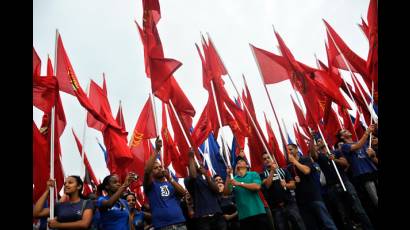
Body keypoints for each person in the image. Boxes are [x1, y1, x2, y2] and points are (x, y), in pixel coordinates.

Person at [287, 144, 337, 230]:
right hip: (301, 201)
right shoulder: (289, 167)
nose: (289, 152)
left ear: (296, 149)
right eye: (287, 150)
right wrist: (294, 182)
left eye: (290, 149)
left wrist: (295, 161)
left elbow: (306, 171)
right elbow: (292, 184)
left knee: (326, 222)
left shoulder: (305, 159)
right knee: (311, 225)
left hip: (314, 196)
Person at [143, 137, 187, 230]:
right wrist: (157, 150)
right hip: (163, 226)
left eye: (160, 167)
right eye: (155, 168)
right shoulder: (150, 186)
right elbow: (147, 171)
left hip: (180, 223)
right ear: (152, 172)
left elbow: (183, 193)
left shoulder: (170, 183)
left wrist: (170, 179)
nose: (159, 168)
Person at [260, 152, 306, 230]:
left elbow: (293, 185)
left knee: (299, 225)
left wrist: (286, 185)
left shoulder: (283, 170)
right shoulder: (262, 175)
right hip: (276, 208)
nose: (267, 160)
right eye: (264, 159)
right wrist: (272, 171)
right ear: (263, 162)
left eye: (268, 157)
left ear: (273, 158)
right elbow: (267, 185)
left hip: (290, 204)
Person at [337, 124, 378, 208]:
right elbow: (357, 146)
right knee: (375, 199)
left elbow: (374, 160)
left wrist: (373, 155)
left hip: (373, 171)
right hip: (363, 175)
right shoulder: (344, 146)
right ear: (342, 137)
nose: (347, 130)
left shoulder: (363, 143)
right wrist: (367, 132)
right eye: (344, 131)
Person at [184, 149, 227, 230]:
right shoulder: (188, 180)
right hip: (203, 219)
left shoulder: (209, 177)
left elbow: (217, 190)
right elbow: (193, 175)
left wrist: (206, 176)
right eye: (195, 160)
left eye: (198, 160)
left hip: (217, 216)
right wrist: (191, 157)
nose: (198, 162)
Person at [224, 157, 268, 230]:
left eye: (241, 161)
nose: (239, 162)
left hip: (258, 212)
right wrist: (228, 175)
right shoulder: (233, 179)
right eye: (237, 162)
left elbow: (257, 187)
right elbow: (226, 193)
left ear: (247, 165)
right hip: (244, 216)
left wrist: (239, 183)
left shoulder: (253, 174)